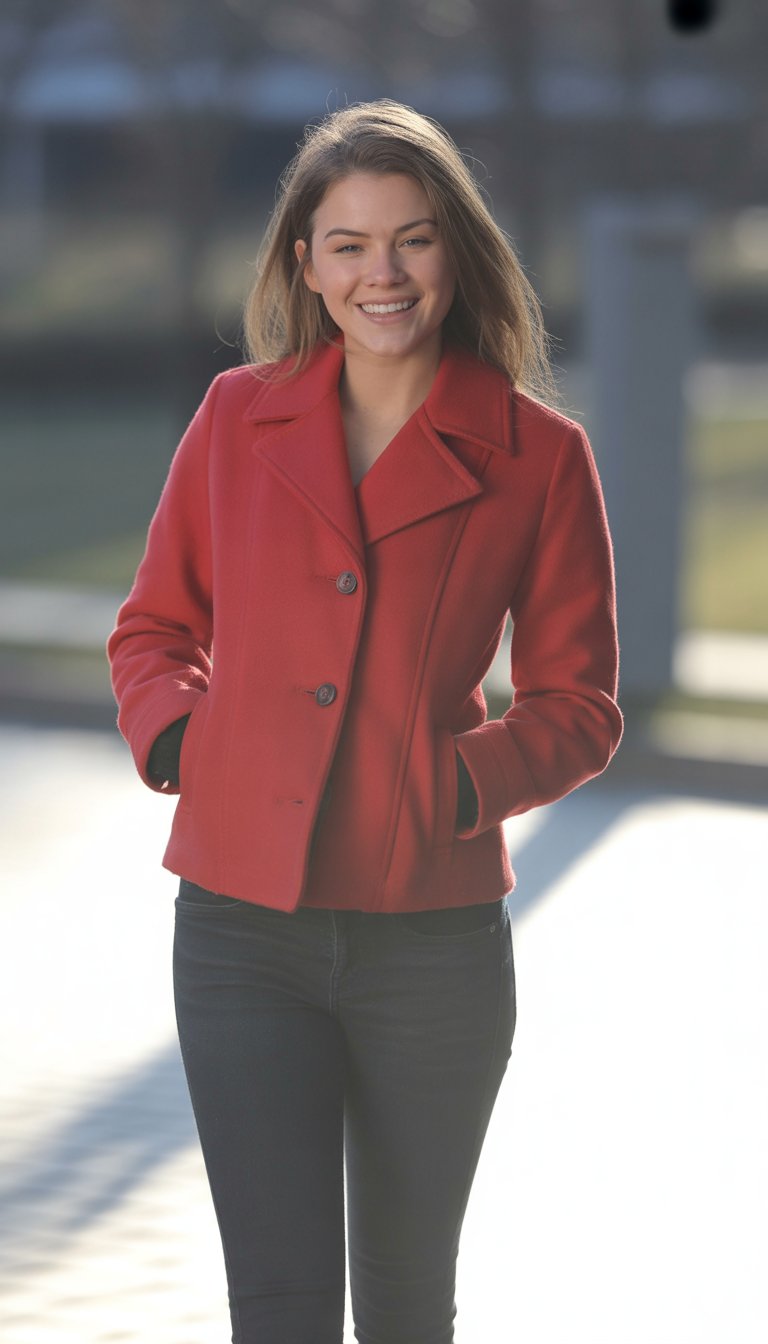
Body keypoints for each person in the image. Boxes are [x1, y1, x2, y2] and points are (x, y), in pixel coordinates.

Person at [107, 99, 623, 1344]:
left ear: (457, 252)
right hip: (240, 933)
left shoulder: (539, 455)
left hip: (431, 941)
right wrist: (187, 744)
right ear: (307, 264)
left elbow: (581, 707)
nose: (381, 273)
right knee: (278, 1308)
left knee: (405, 1308)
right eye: (349, 245)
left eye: (413, 239)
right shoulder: (236, 417)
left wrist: (450, 787)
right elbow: (153, 630)